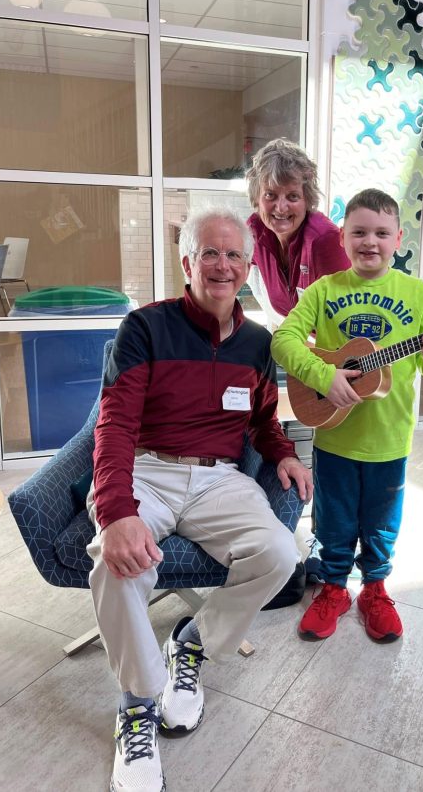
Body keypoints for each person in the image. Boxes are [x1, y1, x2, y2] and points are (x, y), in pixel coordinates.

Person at [86, 206, 313, 792]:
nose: (222, 265)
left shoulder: (257, 343)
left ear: (246, 268)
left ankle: (191, 645)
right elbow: (113, 425)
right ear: (187, 264)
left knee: (280, 555)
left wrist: (283, 451)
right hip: (147, 467)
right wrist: (116, 512)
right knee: (116, 567)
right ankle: (137, 704)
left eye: (234, 254)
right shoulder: (145, 328)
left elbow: (262, 422)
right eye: (209, 253)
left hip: (219, 479)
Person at [271, 189, 423, 643]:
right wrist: (323, 373)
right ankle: (333, 589)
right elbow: (283, 340)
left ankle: (375, 588)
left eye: (381, 233)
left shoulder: (417, 293)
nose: (370, 241)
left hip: (390, 438)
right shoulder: (323, 290)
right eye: (359, 232)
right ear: (343, 236)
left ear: (398, 239)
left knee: (381, 522)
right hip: (334, 437)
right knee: (333, 519)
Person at [246, 138, 350, 327]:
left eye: (292, 196)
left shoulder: (324, 241)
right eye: (270, 195)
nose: (281, 207)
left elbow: (352, 315)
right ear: (256, 197)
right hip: (287, 342)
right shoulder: (254, 231)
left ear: (307, 199)